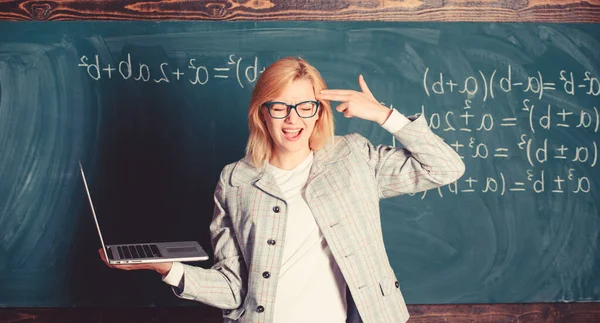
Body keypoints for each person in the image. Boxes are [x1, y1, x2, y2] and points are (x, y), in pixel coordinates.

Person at [99, 57, 465, 323]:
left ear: (319, 113)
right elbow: (232, 289)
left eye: (306, 107)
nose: (293, 119)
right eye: (280, 107)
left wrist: (384, 115)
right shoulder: (235, 180)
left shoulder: (354, 157)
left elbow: (446, 167)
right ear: (262, 113)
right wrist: (168, 269)